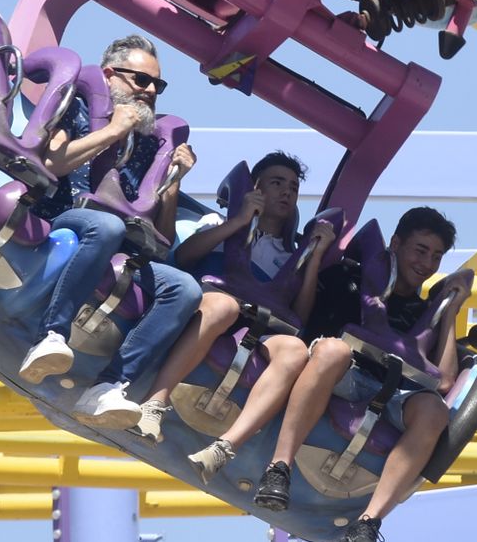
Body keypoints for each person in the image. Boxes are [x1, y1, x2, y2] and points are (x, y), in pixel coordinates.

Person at [252, 207, 464, 542]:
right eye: (420, 249)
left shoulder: (423, 309)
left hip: (391, 390)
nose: (426, 263)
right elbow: (307, 325)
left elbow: (444, 380)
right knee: (333, 351)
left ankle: (368, 524)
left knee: (433, 410)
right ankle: (279, 467)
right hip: (340, 372)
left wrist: (450, 313)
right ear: (396, 244)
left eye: (436, 256)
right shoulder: (350, 278)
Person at [17, 34, 199, 430]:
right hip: (62, 217)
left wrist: (173, 183)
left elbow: (161, 240)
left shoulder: (149, 144)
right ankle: (51, 334)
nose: (150, 91)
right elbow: (53, 161)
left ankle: (112, 384)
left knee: (184, 289)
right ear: (109, 75)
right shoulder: (77, 108)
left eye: (157, 85)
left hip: (118, 245)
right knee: (106, 225)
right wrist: (114, 132)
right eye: (141, 80)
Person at [133, 154, 334, 478]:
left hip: (260, 328)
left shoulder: (291, 254)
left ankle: (225, 447)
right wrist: (239, 222)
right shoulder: (219, 224)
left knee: (295, 350)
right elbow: (183, 256)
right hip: (216, 311)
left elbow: (299, 317)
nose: (286, 192)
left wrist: (314, 259)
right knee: (223, 307)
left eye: (293, 188)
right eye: (277, 183)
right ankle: (154, 403)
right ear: (256, 188)